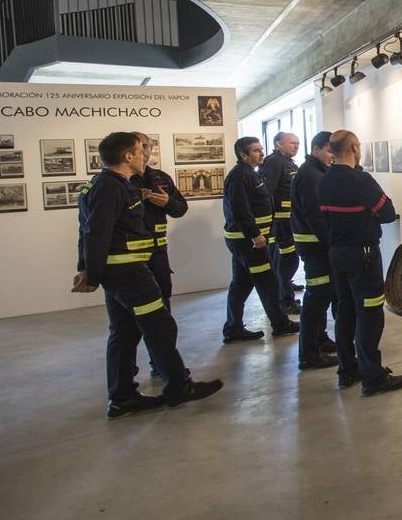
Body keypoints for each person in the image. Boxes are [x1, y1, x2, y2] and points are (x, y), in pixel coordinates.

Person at [73, 131, 222, 417]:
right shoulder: (111, 187)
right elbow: (95, 233)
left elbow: (88, 230)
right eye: (140, 152)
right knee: (160, 325)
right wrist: (90, 274)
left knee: (124, 332)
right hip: (128, 272)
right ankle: (179, 387)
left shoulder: (103, 184)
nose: (145, 156)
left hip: (123, 272)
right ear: (128, 156)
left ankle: (122, 397)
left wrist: (89, 270)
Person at [316, 130, 402, 395]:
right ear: (355, 147)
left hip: (337, 253)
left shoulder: (324, 180)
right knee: (369, 314)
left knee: (345, 310)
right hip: (363, 255)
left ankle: (348, 370)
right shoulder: (361, 180)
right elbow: (388, 213)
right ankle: (373, 376)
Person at [222, 136, 297, 343]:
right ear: (243, 155)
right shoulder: (239, 177)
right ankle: (281, 324)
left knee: (241, 284)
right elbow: (239, 209)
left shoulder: (250, 174)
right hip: (248, 242)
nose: (261, 153)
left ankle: (233, 327)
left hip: (248, 240)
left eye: (261, 149)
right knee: (267, 282)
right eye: (256, 150)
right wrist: (254, 234)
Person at [133, 132, 189, 378]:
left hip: (158, 254)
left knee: (163, 311)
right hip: (131, 259)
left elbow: (180, 208)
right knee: (128, 323)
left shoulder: (160, 178)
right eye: (137, 146)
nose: (142, 150)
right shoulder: (120, 181)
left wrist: (167, 202)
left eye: (145, 146)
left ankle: (161, 362)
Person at [290, 131, 338, 370]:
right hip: (315, 247)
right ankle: (308, 353)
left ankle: (319, 339)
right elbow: (315, 215)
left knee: (323, 295)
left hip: (318, 245)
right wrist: (332, 242)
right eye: (330, 150)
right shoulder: (310, 176)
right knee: (316, 298)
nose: (333, 155)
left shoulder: (317, 172)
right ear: (317, 148)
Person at [260, 131, 302, 317]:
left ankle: (285, 289)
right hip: (282, 223)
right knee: (287, 261)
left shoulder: (289, 163)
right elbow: (267, 193)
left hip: (290, 220)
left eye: (298, 143)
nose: (296, 146)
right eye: (292, 142)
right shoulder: (274, 162)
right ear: (278, 144)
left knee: (286, 261)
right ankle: (286, 300)